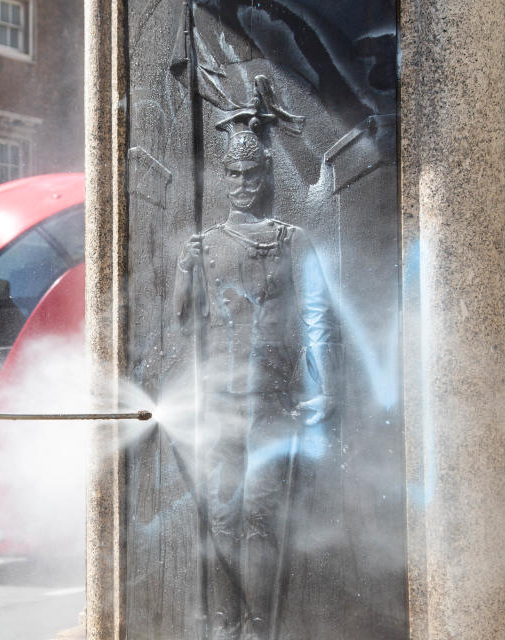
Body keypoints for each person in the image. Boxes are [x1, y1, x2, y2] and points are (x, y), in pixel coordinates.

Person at [173, 116, 342, 639]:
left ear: (266, 177)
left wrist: (326, 386)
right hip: (220, 396)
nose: (242, 184)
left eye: (252, 175)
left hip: (272, 399)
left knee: (258, 517)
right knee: (223, 515)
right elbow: (183, 322)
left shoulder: (295, 241)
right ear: (224, 177)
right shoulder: (203, 246)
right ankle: (227, 625)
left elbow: (317, 317)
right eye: (234, 174)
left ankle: (261, 626)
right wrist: (184, 269)